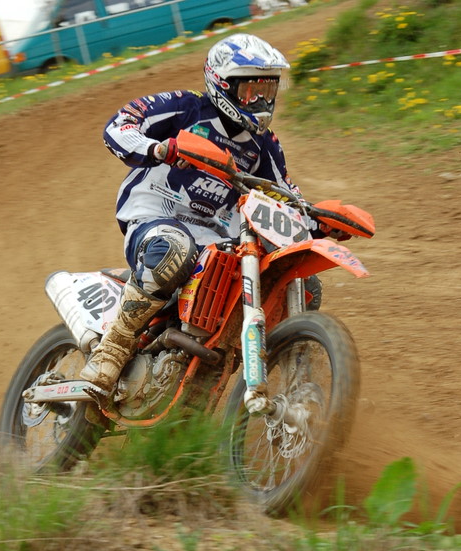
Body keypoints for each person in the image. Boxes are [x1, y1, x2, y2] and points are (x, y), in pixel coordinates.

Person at [81, 33, 320, 398]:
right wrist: (158, 148)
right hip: (156, 215)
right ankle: (112, 348)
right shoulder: (185, 108)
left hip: (218, 237)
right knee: (174, 249)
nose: (261, 101)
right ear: (223, 84)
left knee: (300, 280)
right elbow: (119, 125)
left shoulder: (265, 145)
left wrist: (317, 220)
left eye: (267, 91)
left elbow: (286, 192)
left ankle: (260, 379)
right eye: (251, 91)